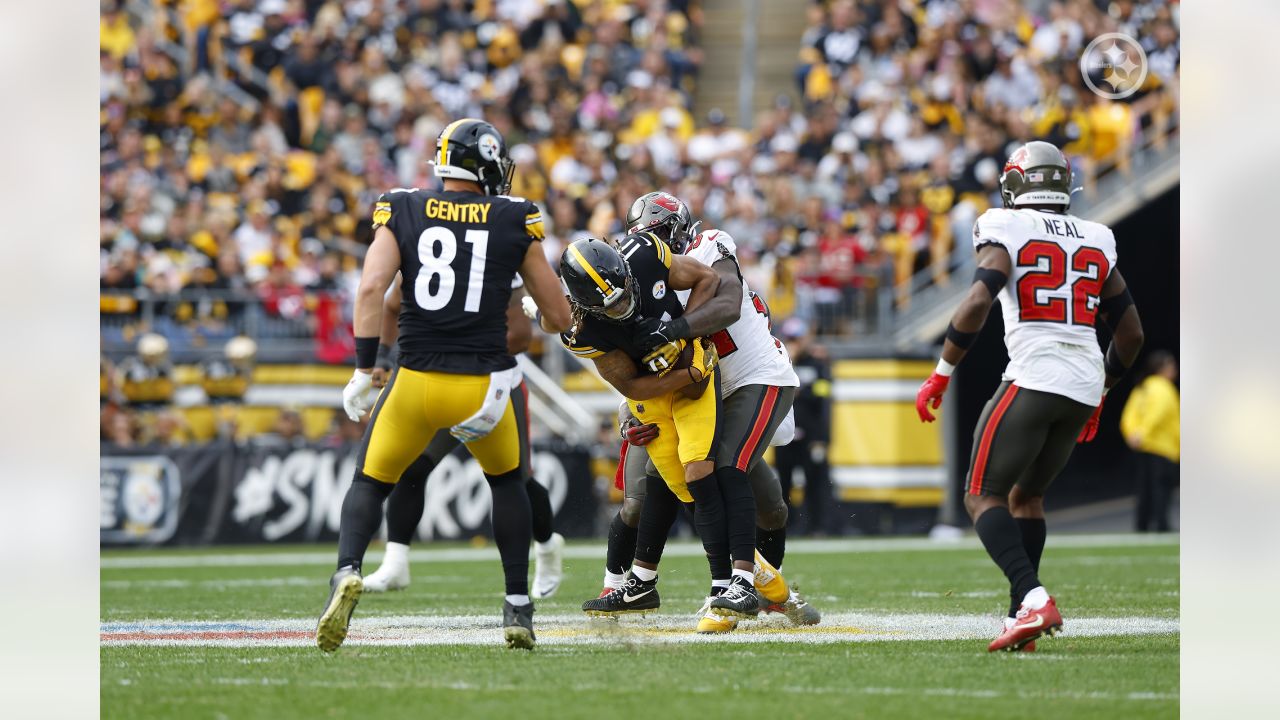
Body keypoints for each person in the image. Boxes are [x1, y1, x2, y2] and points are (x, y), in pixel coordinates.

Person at [315, 118, 571, 653]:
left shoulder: (403, 206)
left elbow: (371, 290)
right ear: (488, 163)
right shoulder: (514, 217)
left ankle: (347, 570)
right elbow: (559, 317)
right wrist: (536, 309)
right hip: (484, 387)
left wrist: (366, 368)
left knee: (370, 481)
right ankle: (517, 605)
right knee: (508, 484)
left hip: (414, 381)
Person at [914, 141, 1144, 653]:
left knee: (980, 495)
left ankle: (1032, 597)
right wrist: (1102, 391)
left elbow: (978, 297)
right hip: (1084, 382)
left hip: (1036, 373)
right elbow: (1130, 336)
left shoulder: (1004, 224)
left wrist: (942, 371)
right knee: (1027, 497)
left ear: (1016, 183)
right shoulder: (1097, 235)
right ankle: (1022, 612)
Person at [597, 191, 818, 634]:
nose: (654, 251)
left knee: (752, 493)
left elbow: (726, 304)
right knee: (655, 486)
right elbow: (634, 357)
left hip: (750, 376)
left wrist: (673, 329)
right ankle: (639, 584)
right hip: (699, 389)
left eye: (660, 238)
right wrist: (628, 408)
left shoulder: (710, 247)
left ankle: (744, 587)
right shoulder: (639, 276)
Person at [544, 234, 764, 623]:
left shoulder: (646, 255)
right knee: (676, 487)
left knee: (701, 472)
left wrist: (680, 332)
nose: (624, 306)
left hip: (690, 367)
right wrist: (682, 376)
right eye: (610, 306)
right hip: (655, 391)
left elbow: (707, 280)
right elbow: (629, 385)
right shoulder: (582, 328)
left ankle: (727, 584)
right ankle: (747, 580)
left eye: (626, 294)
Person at [359, 274, 566, 598]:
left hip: (491, 387)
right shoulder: (426, 253)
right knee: (412, 467)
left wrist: (459, 349)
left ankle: (547, 546)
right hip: (436, 382)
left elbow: (521, 336)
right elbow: (390, 304)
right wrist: (383, 356)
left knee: (516, 479)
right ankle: (395, 562)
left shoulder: (494, 256)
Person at [775, 318, 834, 536]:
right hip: (785, 434)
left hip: (811, 435)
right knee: (783, 483)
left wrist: (823, 437)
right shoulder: (779, 361)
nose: (794, 343)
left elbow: (824, 395)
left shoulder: (817, 363)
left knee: (815, 480)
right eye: (790, 339)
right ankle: (784, 527)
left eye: (797, 339)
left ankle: (816, 526)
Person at [1121, 351, 1179, 532]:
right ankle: (1162, 524)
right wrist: (1144, 433)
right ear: (1161, 368)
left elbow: (1128, 416)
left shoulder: (1141, 388)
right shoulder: (1163, 388)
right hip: (1163, 446)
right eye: (1171, 366)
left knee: (1144, 487)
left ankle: (1142, 524)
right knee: (1162, 487)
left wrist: (1133, 435)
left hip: (1143, 447)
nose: (1174, 369)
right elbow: (1158, 414)